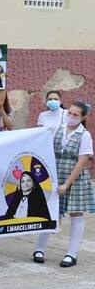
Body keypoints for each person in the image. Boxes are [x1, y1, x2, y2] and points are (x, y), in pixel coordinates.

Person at [33, 101, 93, 267]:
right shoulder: (58, 129)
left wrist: (67, 184)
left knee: (76, 214)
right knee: (50, 211)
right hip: (56, 174)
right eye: (70, 113)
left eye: (75, 115)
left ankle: (71, 254)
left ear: (82, 118)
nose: (71, 117)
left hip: (74, 177)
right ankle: (40, 248)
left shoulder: (84, 135)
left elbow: (82, 161)